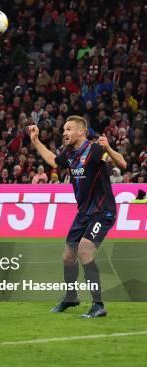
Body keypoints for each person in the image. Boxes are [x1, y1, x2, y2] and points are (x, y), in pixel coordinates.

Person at [29, 117, 126, 318]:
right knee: (67, 257)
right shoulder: (69, 154)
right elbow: (52, 160)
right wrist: (35, 141)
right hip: (83, 214)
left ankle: (98, 305)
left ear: (81, 132)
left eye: (69, 129)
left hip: (102, 212)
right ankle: (71, 297)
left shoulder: (95, 150)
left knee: (84, 251)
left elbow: (122, 163)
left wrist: (108, 148)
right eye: (64, 129)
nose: (64, 132)